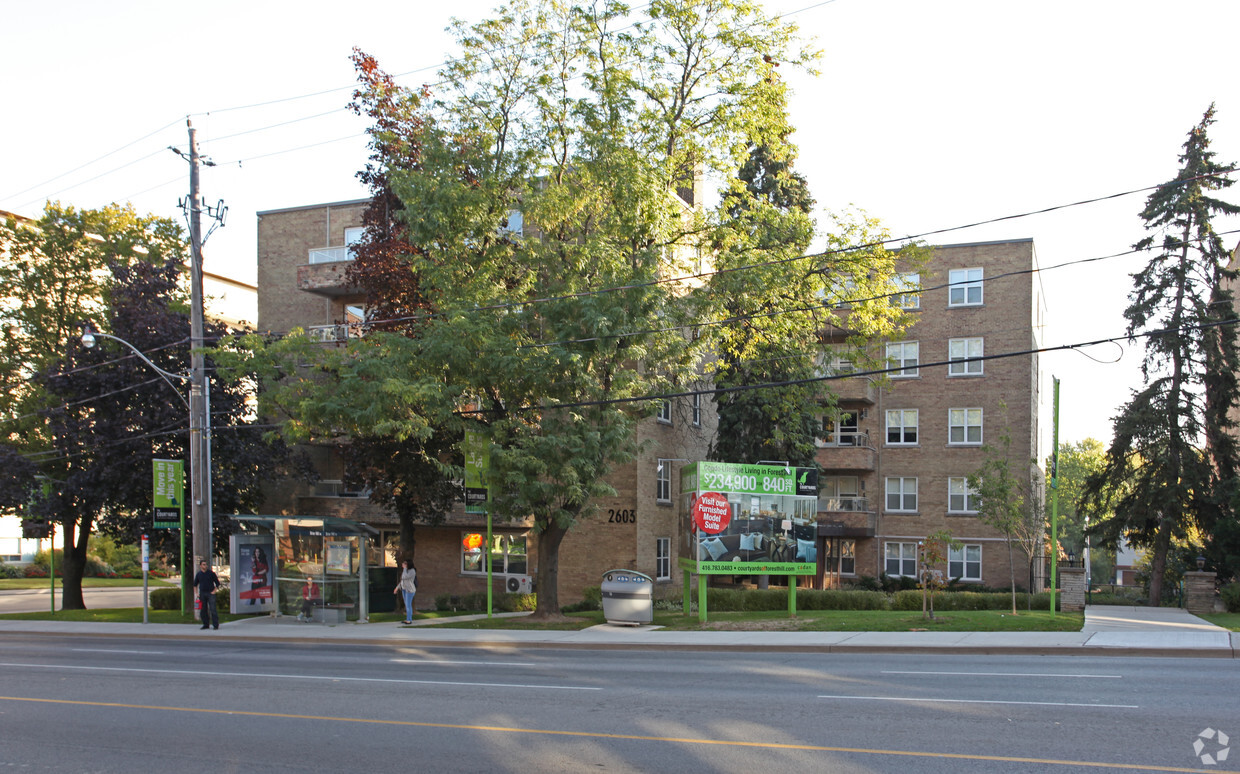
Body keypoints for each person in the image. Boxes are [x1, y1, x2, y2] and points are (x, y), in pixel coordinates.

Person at [193, 560, 221, 630]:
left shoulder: (211, 573)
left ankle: (215, 625)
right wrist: (196, 593)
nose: (205, 566)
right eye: (203, 564)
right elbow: (195, 584)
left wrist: (214, 591)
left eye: (206, 564)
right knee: (203, 610)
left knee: (213, 609)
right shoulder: (199, 574)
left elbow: (217, 583)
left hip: (210, 593)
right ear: (200, 566)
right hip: (202, 593)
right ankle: (206, 624)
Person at [394, 560, 417, 624]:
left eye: (404, 564)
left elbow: (405, 577)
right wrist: (397, 588)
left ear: (408, 564)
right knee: (406, 604)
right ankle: (408, 619)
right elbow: (402, 581)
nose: (403, 564)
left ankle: (409, 620)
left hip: (410, 590)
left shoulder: (412, 571)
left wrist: (404, 569)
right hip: (404, 589)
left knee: (408, 605)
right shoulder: (405, 570)